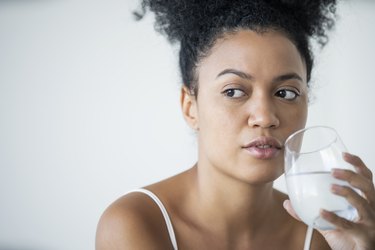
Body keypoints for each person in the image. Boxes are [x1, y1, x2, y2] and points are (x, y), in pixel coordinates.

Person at [96, 0, 375, 249]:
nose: (265, 117)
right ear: (190, 106)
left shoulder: (324, 235)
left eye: (286, 93)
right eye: (233, 91)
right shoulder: (135, 225)